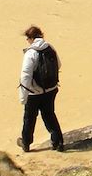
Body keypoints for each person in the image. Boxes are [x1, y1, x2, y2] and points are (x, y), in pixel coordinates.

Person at [17, 25, 64, 153]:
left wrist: (23, 96)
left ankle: (26, 143)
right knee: (49, 115)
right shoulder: (50, 47)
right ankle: (58, 142)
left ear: (31, 38)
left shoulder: (30, 53)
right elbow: (59, 64)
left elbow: (25, 75)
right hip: (51, 89)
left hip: (34, 93)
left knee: (29, 118)